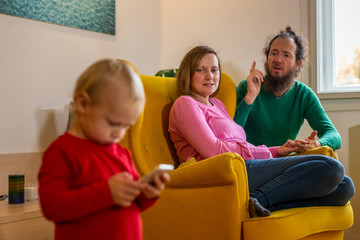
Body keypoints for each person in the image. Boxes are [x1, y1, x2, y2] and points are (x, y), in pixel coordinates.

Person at [168, 45, 354, 217]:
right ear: (188, 73)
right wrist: (267, 153)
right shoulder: (185, 103)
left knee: (345, 187)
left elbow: (237, 141)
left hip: (244, 165)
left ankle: (260, 203)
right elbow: (214, 151)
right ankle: (261, 198)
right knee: (331, 167)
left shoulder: (216, 104)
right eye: (201, 70)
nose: (210, 76)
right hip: (225, 171)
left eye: (214, 70)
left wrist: (278, 150)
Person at [38, 59, 170, 240]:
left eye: (126, 126)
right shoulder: (61, 152)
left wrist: (146, 194)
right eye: (114, 123)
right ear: (83, 104)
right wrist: (106, 193)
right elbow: (51, 207)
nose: (119, 133)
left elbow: (131, 203)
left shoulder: (121, 153)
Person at [234, 26, 341, 151]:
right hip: (251, 160)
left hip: (283, 161)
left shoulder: (304, 95)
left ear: (298, 64)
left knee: (332, 165)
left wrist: (317, 144)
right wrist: (250, 97)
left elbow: (334, 136)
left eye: (286, 55)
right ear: (267, 57)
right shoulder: (246, 88)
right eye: (274, 53)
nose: (278, 60)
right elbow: (229, 134)